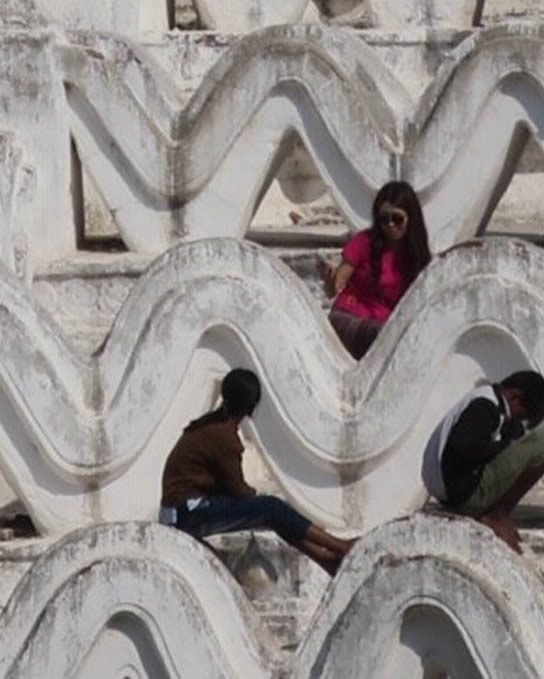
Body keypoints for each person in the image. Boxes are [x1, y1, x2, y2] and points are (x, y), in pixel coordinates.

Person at [159, 369, 356, 575]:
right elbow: (238, 491)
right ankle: (339, 547)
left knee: (272, 513)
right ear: (251, 405)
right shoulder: (224, 438)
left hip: (180, 510)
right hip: (187, 512)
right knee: (271, 508)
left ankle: (325, 558)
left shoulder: (211, 423)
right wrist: (256, 498)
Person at [421, 371, 544, 553]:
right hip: (461, 493)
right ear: (516, 397)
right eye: (521, 415)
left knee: (521, 439)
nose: (518, 420)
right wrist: (504, 446)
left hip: (450, 489)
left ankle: (495, 512)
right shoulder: (485, 407)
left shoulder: (486, 398)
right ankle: (497, 514)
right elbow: (464, 447)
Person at [320, 181, 433, 359]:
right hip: (350, 319)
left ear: (411, 218)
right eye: (383, 219)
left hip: (388, 328)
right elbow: (336, 285)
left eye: (397, 219)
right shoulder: (363, 242)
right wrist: (330, 281)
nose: (390, 225)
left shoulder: (417, 256)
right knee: (385, 338)